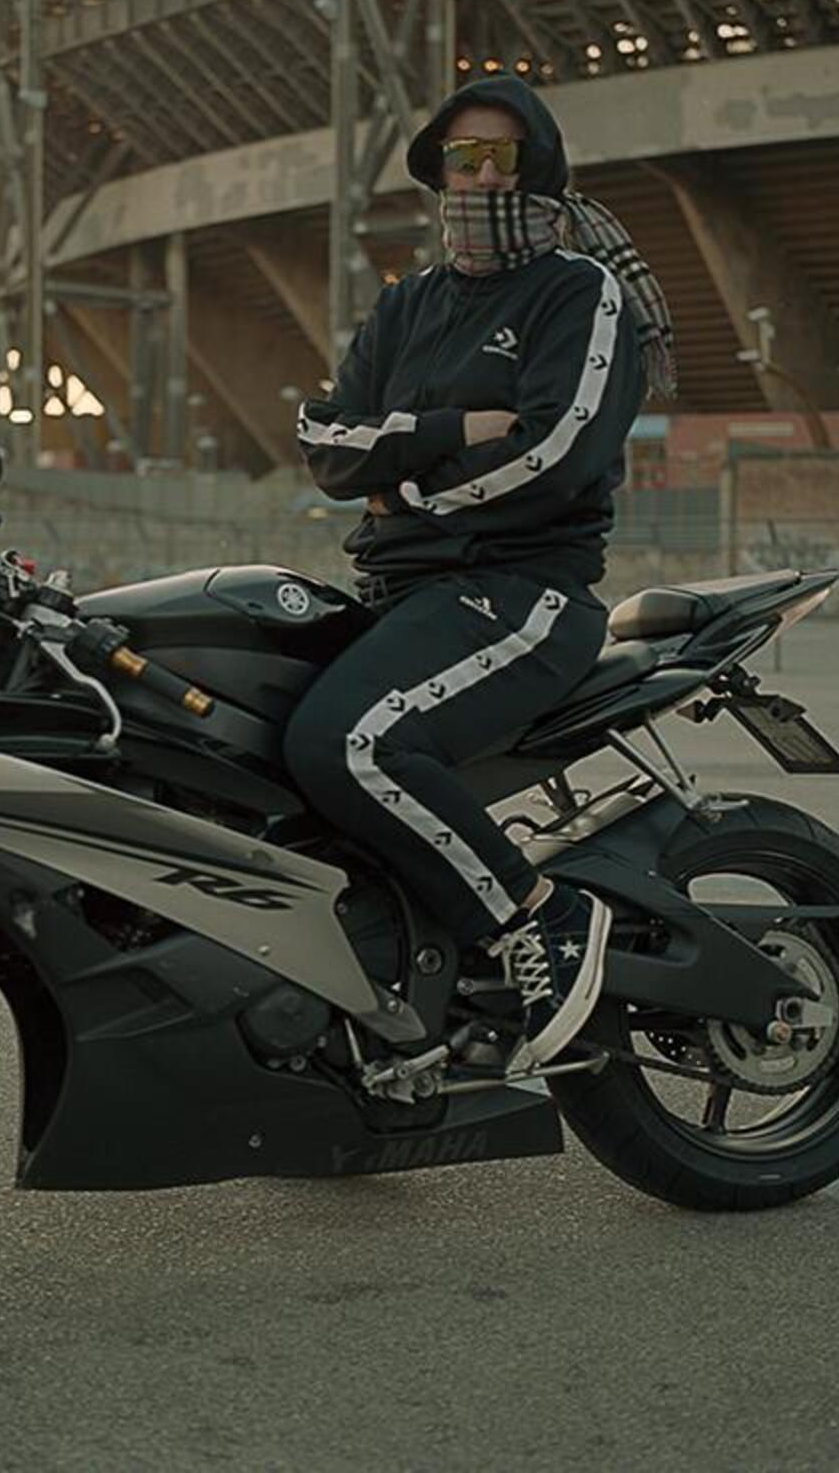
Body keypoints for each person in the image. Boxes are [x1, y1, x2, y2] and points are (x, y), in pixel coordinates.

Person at [286, 76, 674, 1075]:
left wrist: (403, 492)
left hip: (519, 592)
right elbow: (323, 440)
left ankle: (537, 915)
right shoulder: (407, 303)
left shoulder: (578, 291)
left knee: (350, 743)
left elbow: (555, 453)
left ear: (540, 167)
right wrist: (451, 432)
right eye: (464, 159)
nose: (483, 176)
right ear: (437, 169)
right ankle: (392, 1007)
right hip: (397, 592)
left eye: (504, 157)